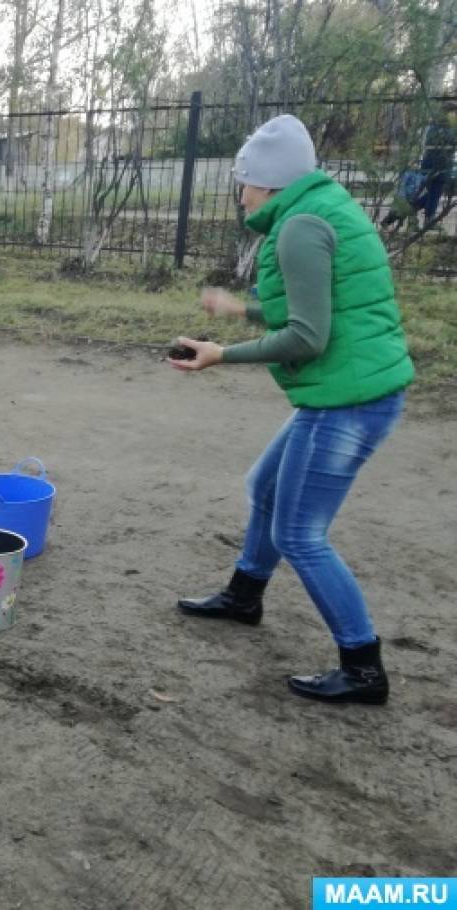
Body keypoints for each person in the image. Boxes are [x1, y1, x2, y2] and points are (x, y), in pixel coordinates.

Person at [170, 114, 415, 706]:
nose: (241, 193)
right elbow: (318, 308)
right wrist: (239, 312)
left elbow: (307, 337)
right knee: (267, 485)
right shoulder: (321, 207)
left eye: (244, 182)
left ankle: (362, 666)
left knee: (301, 533)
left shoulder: (299, 226)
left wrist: (221, 355)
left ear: (267, 182)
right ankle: (244, 596)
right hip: (350, 391)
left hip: (347, 401)